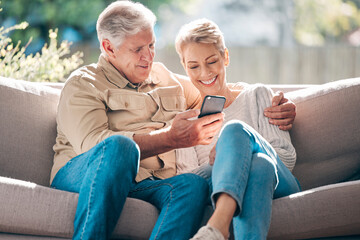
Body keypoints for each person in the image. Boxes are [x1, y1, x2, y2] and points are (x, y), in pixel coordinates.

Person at [50, 1, 296, 239]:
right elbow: (95, 147)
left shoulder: (162, 76)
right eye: (138, 49)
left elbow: (212, 82)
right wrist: (170, 139)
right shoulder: (84, 84)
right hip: (84, 173)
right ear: (109, 47)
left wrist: (275, 101)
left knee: (191, 185)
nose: (148, 56)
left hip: (145, 183)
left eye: (152, 45)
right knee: (119, 147)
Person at [174, 18, 301, 240]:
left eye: (212, 61)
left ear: (226, 57)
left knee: (234, 131)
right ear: (185, 67)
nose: (204, 73)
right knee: (260, 165)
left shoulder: (257, 95)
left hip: (280, 184)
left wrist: (234, 148)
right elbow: (188, 182)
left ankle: (217, 227)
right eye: (193, 66)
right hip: (247, 178)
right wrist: (227, 160)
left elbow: (287, 160)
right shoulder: (187, 123)